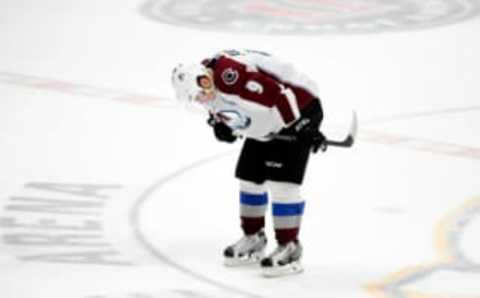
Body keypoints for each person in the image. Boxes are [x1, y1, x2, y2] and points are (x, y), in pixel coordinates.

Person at [171, 49, 327, 277]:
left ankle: (290, 247)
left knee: (282, 184)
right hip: (268, 121)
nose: (201, 99)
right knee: (249, 176)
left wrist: (305, 128)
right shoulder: (204, 82)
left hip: (300, 106)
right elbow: (230, 112)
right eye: (196, 98)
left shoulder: (230, 75)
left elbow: (281, 95)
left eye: (200, 94)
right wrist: (222, 126)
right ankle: (254, 238)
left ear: (204, 78)